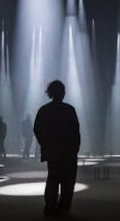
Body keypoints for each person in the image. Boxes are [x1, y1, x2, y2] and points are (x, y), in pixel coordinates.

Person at [34, 80, 81, 217]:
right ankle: (63, 206)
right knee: (68, 181)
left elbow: (37, 129)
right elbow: (75, 131)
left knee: (53, 179)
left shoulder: (44, 110)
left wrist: (45, 144)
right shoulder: (69, 109)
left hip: (53, 152)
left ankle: (50, 205)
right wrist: (75, 148)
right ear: (62, 93)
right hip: (68, 152)